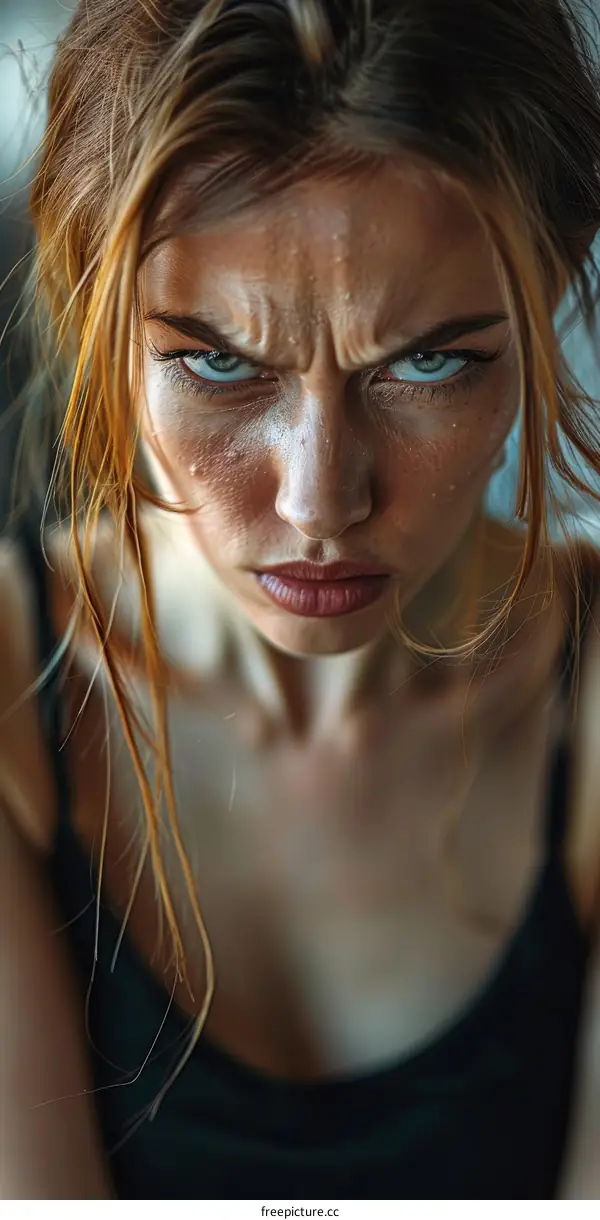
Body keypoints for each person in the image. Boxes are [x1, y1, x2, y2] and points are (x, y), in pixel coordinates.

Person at [3, 0, 600, 1201]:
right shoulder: (15, 687)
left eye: (429, 361)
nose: (322, 496)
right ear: (95, 318)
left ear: (545, 306)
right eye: (219, 362)